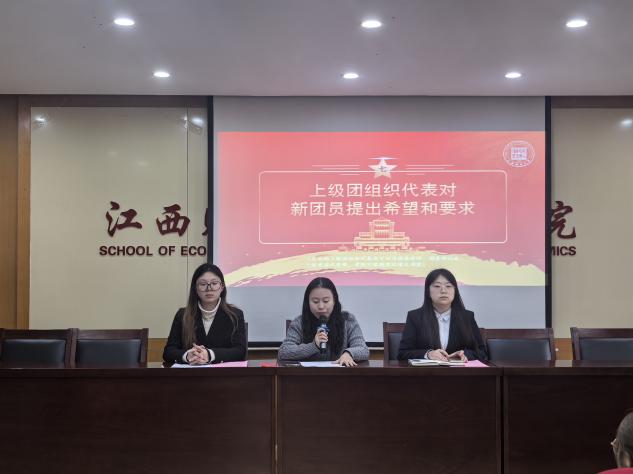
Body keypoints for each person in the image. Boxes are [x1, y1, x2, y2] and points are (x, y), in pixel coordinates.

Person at [163, 263, 246, 364]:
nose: (209, 288)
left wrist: (209, 354)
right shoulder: (182, 315)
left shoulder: (235, 315)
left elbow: (240, 351)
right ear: (195, 288)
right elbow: (168, 352)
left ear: (222, 287)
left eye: (214, 283)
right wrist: (187, 355)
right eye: (203, 284)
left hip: (223, 373)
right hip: (192, 372)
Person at [398, 268, 486, 362]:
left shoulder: (467, 317)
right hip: (427, 371)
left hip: (458, 370)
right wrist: (428, 354)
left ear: (455, 291)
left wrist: (464, 355)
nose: (443, 290)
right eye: (437, 286)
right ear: (428, 291)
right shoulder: (415, 317)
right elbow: (402, 353)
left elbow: (481, 352)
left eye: (448, 286)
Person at [278, 277, 369, 367]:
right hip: (307, 375)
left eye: (326, 301)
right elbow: (284, 352)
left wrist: (349, 354)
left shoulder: (348, 320)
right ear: (308, 302)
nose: (321, 306)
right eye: (315, 301)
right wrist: (313, 346)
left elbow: (363, 349)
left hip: (340, 374)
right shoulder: (299, 323)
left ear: (334, 301)